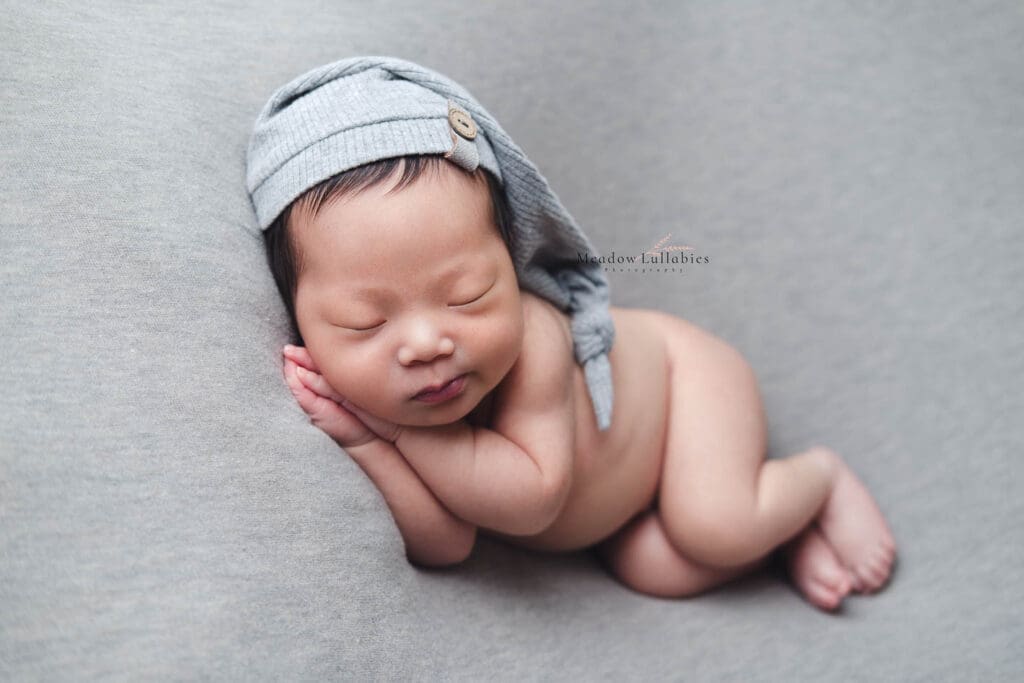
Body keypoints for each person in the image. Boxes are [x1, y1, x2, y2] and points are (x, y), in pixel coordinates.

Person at [247, 57, 896, 612]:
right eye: (366, 322)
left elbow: (531, 496)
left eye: (469, 294)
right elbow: (447, 543)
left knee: (713, 522)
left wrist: (393, 431)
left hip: (682, 382)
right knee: (653, 567)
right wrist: (365, 441)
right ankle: (779, 535)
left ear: (512, 257)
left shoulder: (535, 341)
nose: (426, 343)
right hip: (617, 514)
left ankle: (819, 478)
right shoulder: (389, 408)